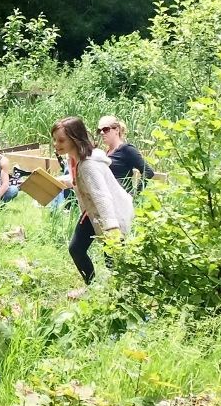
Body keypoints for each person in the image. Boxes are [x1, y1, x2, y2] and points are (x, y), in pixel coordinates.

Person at [51, 116, 134, 297]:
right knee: (76, 249)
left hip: (112, 215)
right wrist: (55, 181)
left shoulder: (88, 164)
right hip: (93, 212)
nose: (56, 144)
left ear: (75, 138)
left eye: (61, 140)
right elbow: (78, 181)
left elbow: (102, 196)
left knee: (112, 259)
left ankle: (120, 298)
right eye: (55, 139)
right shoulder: (75, 159)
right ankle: (93, 287)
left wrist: (111, 228)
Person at [97, 115, 154, 194]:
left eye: (106, 129)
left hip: (122, 199)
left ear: (117, 130)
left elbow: (148, 172)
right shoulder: (106, 152)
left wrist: (135, 194)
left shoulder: (126, 149)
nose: (102, 133)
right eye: (99, 130)